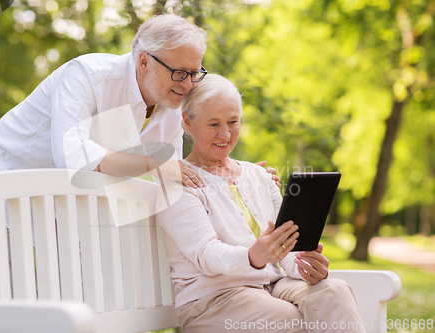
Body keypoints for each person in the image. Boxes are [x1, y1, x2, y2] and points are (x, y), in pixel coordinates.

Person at [0, 14, 280, 188]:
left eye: (195, 73)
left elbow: (175, 176)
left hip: (63, 199)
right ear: (144, 62)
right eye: (179, 73)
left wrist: (242, 175)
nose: (188, 85)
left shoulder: (173, 103)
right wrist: (155, 165)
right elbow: (73, 158)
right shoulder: (87, 76)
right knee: (4, 297)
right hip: (3, 180)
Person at [156, 74, 366, 333]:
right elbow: (207, 255)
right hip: (214, 299)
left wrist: (304, 267)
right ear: (188, 122)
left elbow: (285, 247)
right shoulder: (177, 182)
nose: (225, 133)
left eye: (233, 122)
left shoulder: (259, 176)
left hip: (271, 287)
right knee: (298, 321)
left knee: (334, 291)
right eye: (213, 124)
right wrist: (254, 256)